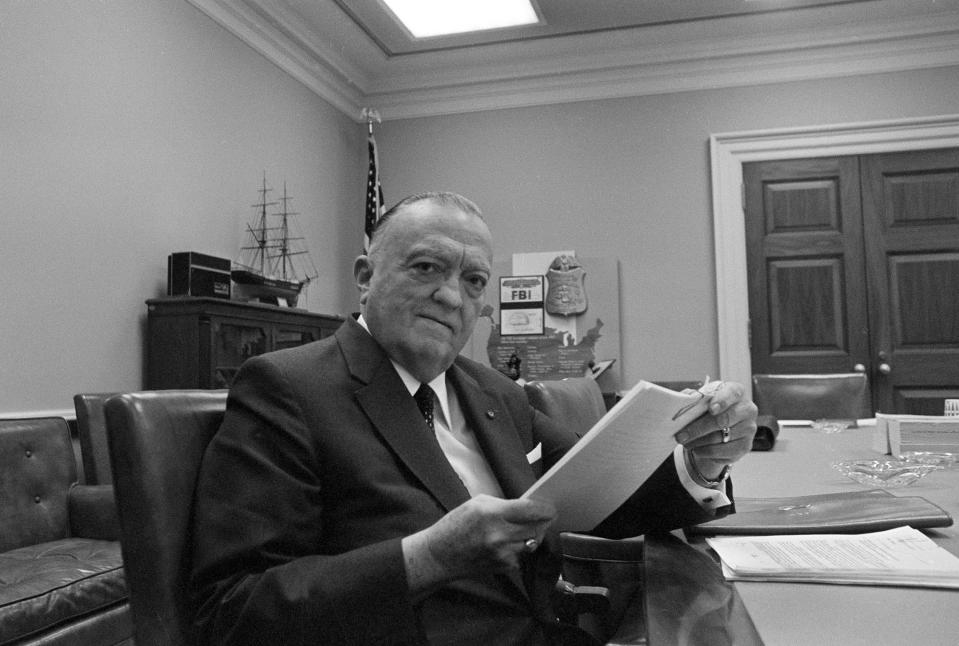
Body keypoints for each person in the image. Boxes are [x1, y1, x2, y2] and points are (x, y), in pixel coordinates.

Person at [189, 191, 757, 645]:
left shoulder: (496, 391)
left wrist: (701, 466)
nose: (452, 297)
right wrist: (426, 558)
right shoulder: (286, 387)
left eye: (474, 281)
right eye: (427, 267)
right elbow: (233, 610)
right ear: (365, 277)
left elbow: (604, 496)